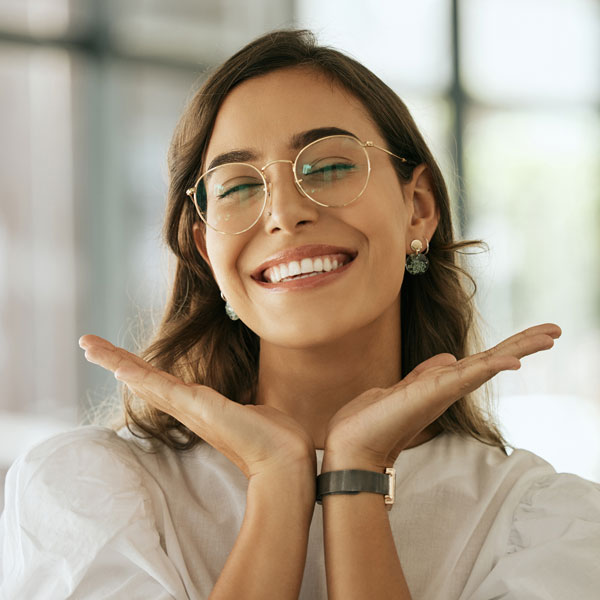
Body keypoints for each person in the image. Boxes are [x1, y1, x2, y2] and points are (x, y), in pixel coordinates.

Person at [1, 28, 598, 600]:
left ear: (417, 208)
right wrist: (275, 481)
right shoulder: (85, 494)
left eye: (330, 167)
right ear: (209, 252)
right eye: (237, 186)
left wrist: (357, 476)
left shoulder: (543, 523)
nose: (284, 212)